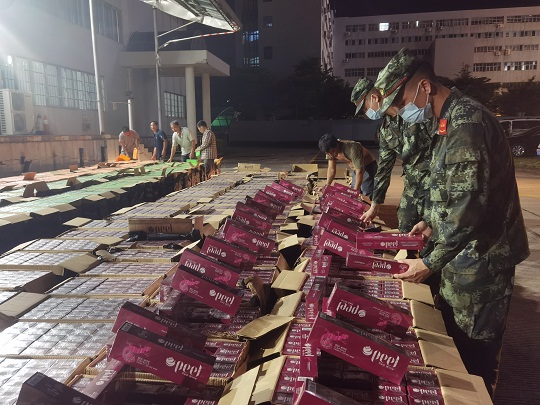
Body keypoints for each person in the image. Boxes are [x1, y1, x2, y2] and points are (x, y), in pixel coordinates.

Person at [375, 48, 529, 397]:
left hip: (483, 260)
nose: (400, 112)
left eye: (401, 101)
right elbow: (451, 189)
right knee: (457, 348)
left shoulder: (466, 123)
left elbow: (467, 206)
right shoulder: (447, 121)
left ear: (424, 87)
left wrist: (429, 262)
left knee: (474, 356)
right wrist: (430, 223)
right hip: (464, 256)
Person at [318, 133, 377, 198]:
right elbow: (331, 169)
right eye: (328, 153)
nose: (331, 155)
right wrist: (327, 186)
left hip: (369, 166)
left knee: (366, 193)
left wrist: (355, 192)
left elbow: (360, 171)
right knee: (352, 191)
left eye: (332, 152)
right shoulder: (329, 150)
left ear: (337, 145)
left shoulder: (352, 148)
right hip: (356, 169)